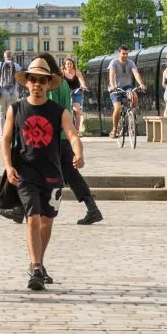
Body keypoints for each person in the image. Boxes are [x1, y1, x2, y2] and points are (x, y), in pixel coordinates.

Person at [4, 54, 83, 290]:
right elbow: (6, 139)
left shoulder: (59, 111)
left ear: (49, 84)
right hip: (25, 173)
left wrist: (79, 154)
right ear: (26, 82)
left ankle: (39, 261)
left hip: (53, 173)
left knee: (47, 222)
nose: (37, 84)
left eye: (42, 80)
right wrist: (8, 166)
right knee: (33, 219)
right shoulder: (16, 109)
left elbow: (72, 135)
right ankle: (35, 266)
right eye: (33, 80)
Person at [43, 54, 103, 225]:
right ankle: (92, 209)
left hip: (55, 137)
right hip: (61, 137)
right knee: (69, 175)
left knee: (54, 176)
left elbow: (52, 110)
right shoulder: (61, 82)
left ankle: (34, 210)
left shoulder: (53, 84)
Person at [108, 44, 144, 141]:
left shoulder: (131, 62)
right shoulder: (113, 62)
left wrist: (141, 84)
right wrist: (112, 86)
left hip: (127, 87)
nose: (125, 56)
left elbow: (136, 73)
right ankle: (114, 129)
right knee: (118, 108)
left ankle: (131, 114)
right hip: (115, 88)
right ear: (118, 53)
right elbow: (111, 75)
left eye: (127, 54)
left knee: (134, 95)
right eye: (123, 54)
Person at [0, 51, 19, 132]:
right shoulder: (16, 66)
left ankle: (2, 135)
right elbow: (20, 80)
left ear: (4, 57)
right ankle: (11, 134)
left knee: (1, 115)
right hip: (13, 93)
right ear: (12, 57)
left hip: (2, 93)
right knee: (12, 114)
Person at [59, 56, 85, 137]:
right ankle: (63, 128)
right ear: (64, 65)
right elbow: (58, 81)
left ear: (73, 65)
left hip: (76, 92)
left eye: (71, 64)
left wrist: (83, 86)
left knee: (77, 111)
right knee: (63, 110)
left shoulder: (76, 72)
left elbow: (81, 80)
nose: (69, 65)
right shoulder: (62, 73)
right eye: (67, 64)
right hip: (65, 92)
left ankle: (77, 130)